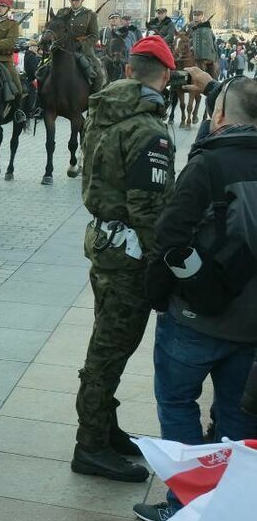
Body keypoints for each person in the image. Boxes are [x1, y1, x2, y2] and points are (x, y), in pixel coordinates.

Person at [136, 74, 257, 521]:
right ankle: (230, 508)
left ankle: (186, 505)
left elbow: (169, 237)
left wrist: (156, 294)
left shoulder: (208, 164)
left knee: (176, 405)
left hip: (193, 319)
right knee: (236, 418)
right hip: (250, 328)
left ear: (219, 117)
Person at [71, 36, 178, 483]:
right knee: (109, 351)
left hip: (104, 244)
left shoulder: (104, 111)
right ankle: (90, 446)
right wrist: (166, 265)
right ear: (166, 75)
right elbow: (148, 211)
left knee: (107, 340)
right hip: (131, 254)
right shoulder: (148, 130)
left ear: (130, 71)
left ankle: (106, 428)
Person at [53, 0, 105, 93]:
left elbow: (95, 36)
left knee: (98, 75)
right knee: (42, 70)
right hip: (62, 48)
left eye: (77, 0)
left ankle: (94, 99)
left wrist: (82, 44)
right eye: (72, 0)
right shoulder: (62, 12)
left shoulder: (90, 15)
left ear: (82, 0)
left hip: (82, 50)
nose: (74, 2)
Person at [188, 10, 218, 78]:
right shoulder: (189, 26)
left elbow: (211, 39)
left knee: (210, 69)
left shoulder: (206, 27)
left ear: (202, 16)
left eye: (198, 15)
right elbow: (185, 37)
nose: (196, 17)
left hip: (202, 53)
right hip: (190, 51)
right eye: (194, 15)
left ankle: (212, 82)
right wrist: (191, 45)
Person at [102, 13, 128, 82]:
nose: (114, 20)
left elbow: (127, 47)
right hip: (104, 57)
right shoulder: (102, 31)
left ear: (120, 21)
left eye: (116, 18)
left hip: (120, 58)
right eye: (112, 18)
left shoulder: (124, 31)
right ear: (109, 20)